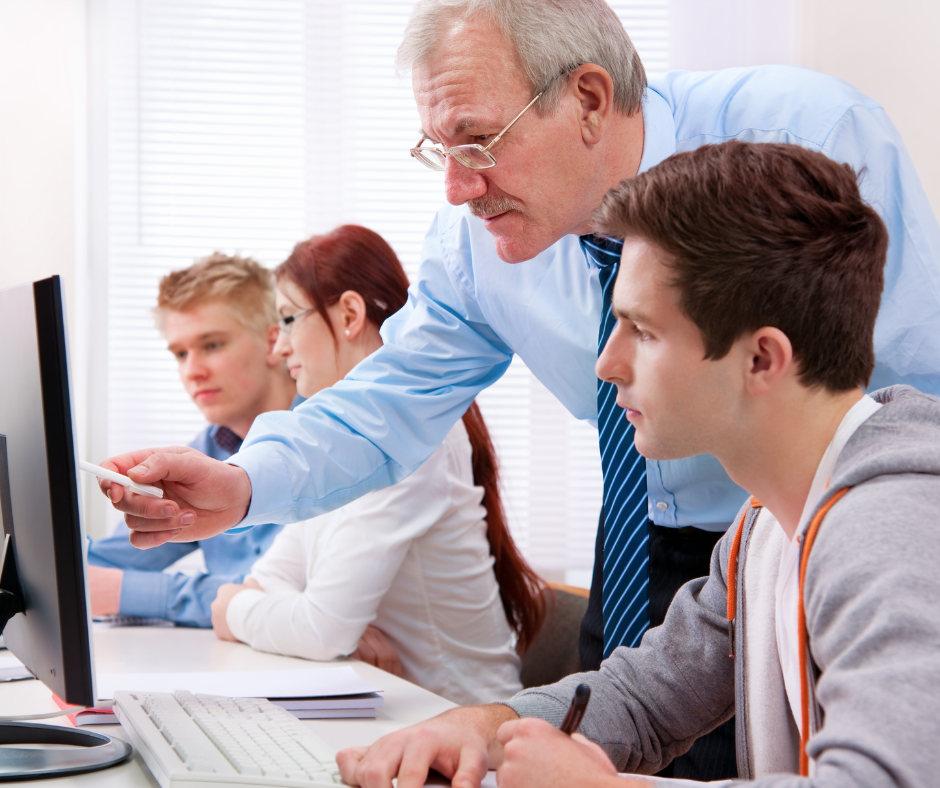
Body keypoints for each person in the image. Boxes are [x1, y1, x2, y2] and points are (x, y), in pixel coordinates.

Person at [97, 0, 940, 778]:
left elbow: (889, 398)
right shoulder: (479, 242)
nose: (458, 187)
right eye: (439, 151)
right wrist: (487, 723)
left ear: (587, 99)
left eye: (476, 142)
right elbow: (391, 396)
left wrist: (853, 513)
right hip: (721, 538)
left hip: (842, 521)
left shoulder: (812, 133)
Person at [335, 141, 940, 788]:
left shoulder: (888, 525)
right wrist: (482, 728)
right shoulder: (765, 525)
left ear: (761, 359)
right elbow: (645, 698)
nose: (606, 363)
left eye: (643, 331)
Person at [209, 225, 543, 705]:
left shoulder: (415, 439)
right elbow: (276, 579)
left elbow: (321, 630)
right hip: (389, 706)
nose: (278, 348)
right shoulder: (332, 442)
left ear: (349, 314)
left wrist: (232, 608)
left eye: (288, 319)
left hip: (459, 726)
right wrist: (275, 609)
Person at [87, 253, 296, 627]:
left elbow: (285, 602)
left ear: (273, 341)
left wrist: (128, 592)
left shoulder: (327, 447)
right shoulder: (206, 452)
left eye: (212, 345)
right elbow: (100, 566)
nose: (192, 371)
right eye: (181, 353)